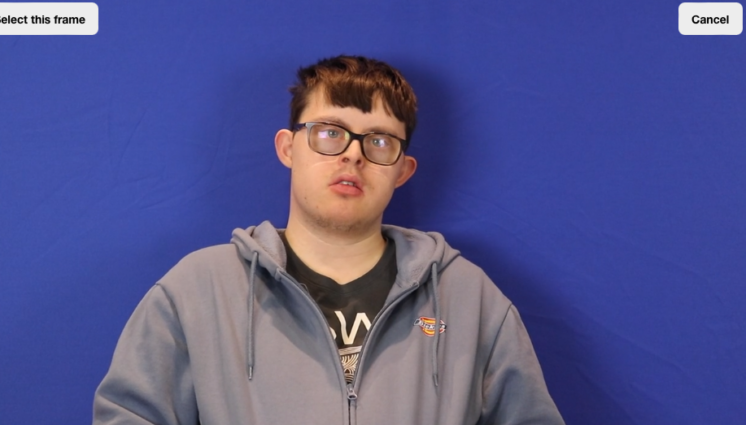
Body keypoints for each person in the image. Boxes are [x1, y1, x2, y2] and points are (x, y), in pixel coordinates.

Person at [93, 55, 565, 425]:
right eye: (329, 133)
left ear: (403, 170)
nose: (353, 156)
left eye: (379, 141)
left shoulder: (469, 299)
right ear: (288, 147)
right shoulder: (198, 291)